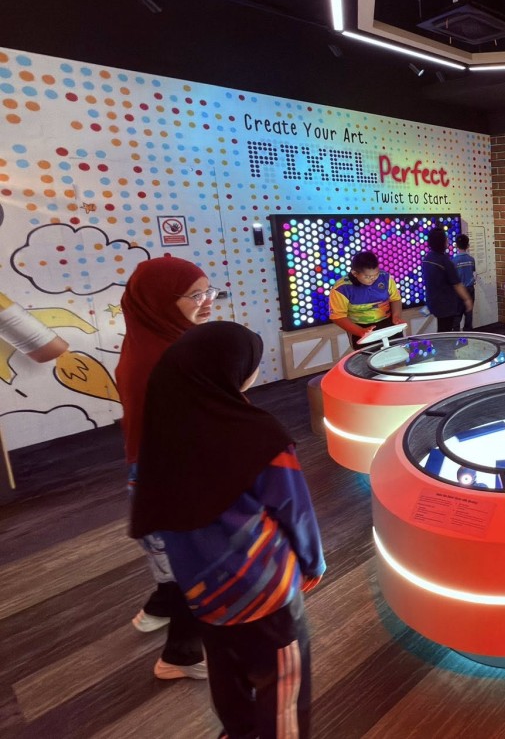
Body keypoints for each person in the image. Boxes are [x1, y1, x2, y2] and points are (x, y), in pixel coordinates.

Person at [131, 321, 324, 739]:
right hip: (265, 590)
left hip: (203, 593)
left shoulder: (161, 435)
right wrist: (313, 563)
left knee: (226, 672)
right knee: (283, 681)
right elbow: (295, 511)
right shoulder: (260, 434)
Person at [115, 255, 212, 680]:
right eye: (195, 295)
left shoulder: (148, 339)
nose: (207, 301)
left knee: (171, 556)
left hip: (153, 469)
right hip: (172, 475)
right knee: (198, 567)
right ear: (158, 301)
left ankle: (157, 608)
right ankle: (181, 656)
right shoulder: (169, 358)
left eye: (209, 291)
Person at [328, 251, 402, 340]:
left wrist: (396, 317)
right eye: (367, 277)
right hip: (359, 327)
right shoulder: (341, 288)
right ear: (355, 273)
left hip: (388, 322)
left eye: (376, 274)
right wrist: (361, 331)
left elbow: (395, 299)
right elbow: (338, 317)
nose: (373, 279)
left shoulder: (386, 278)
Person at [421, 227, 473, 332]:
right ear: (443, 242)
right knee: (446, 331)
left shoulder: (427, 259)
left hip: (433, 302)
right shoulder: (445, 262)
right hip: (446, 305)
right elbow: (457, 284)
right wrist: (467, 299)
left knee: (442, 329)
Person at [453, 234, 476, 330]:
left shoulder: (454, 261)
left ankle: (456, 335)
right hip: (470, 289)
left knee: (457, 315)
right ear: (468, 246)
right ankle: (468, 333)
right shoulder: (471, 260)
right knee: (469, 314)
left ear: (456, 245)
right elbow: (473, 272)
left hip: (459, 291)